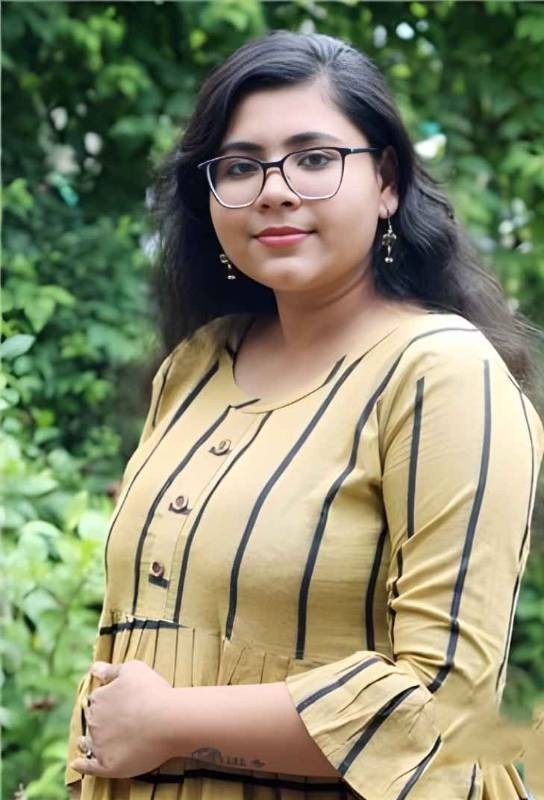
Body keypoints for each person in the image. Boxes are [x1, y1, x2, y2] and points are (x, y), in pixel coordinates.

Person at [65, 29, 544, 800]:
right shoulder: (198, 366)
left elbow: (444, 709)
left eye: (314, 158)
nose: (274, 190)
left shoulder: (443, 375)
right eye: (240, 166)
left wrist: (172, 723)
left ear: (386, 182)